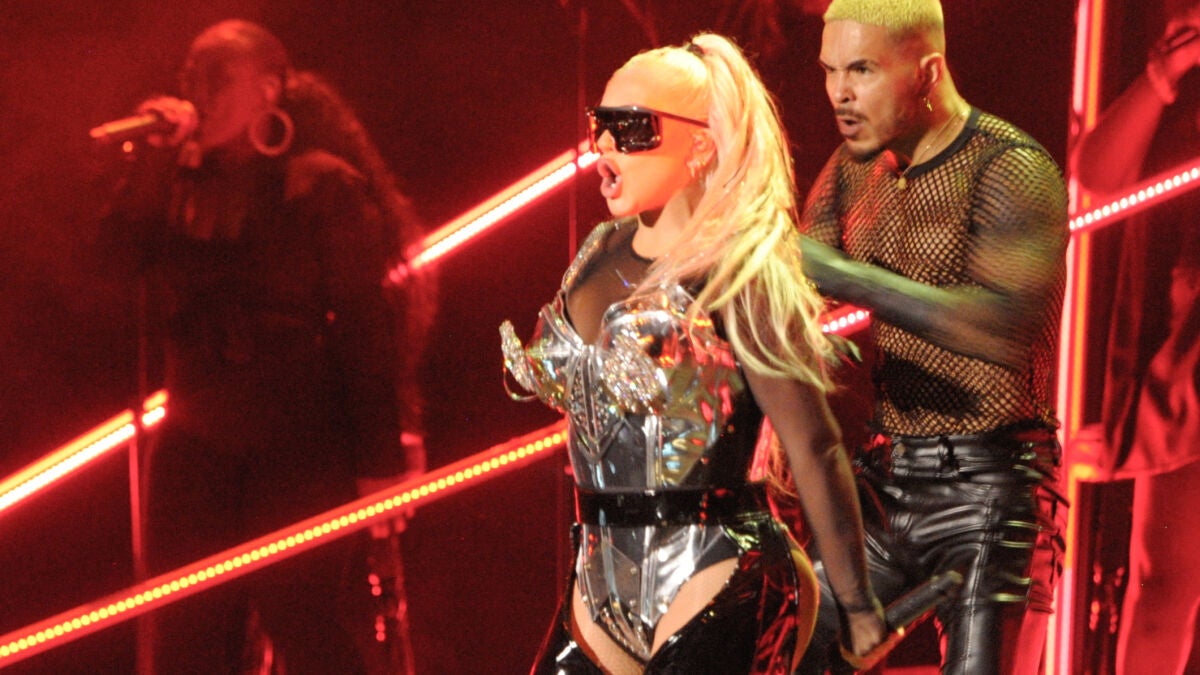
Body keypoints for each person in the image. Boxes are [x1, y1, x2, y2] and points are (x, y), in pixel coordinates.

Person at [500, 33, 887, 674]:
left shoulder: (741, 273)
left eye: (631, 129)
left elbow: (814, 445)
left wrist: (858, 604)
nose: (604, 146)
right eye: (600, 126)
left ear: (701, 145)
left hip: (717, 564)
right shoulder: (595, 256)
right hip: (600, 575)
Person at [98, 19, 433, 673]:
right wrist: (155, 162)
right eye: (191, 75)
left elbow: (366, 325)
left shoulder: (320, 184)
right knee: (188, 633)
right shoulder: (173, 185)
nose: (200, 90)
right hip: (195, 436)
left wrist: (381, 460)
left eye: (218, 75)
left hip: (298, 439)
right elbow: (113, 262)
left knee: (300, 614)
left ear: (270, 88)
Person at [791, 1, 1070, 673]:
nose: (839, 93)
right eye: (829, 70)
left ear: (928, 72)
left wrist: (848, 276)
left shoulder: (1011, 166)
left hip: (992, 490)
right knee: (787, 651)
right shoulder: (854, 166)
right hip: (885, 483)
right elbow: (795, 280)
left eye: (861, 70)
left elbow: (1005, 326)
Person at [1071, 1, 1200, 672]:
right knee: (1162, 583)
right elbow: (1095, 177)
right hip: (1185, 355)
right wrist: (1162, 77)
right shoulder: (1178, 80)